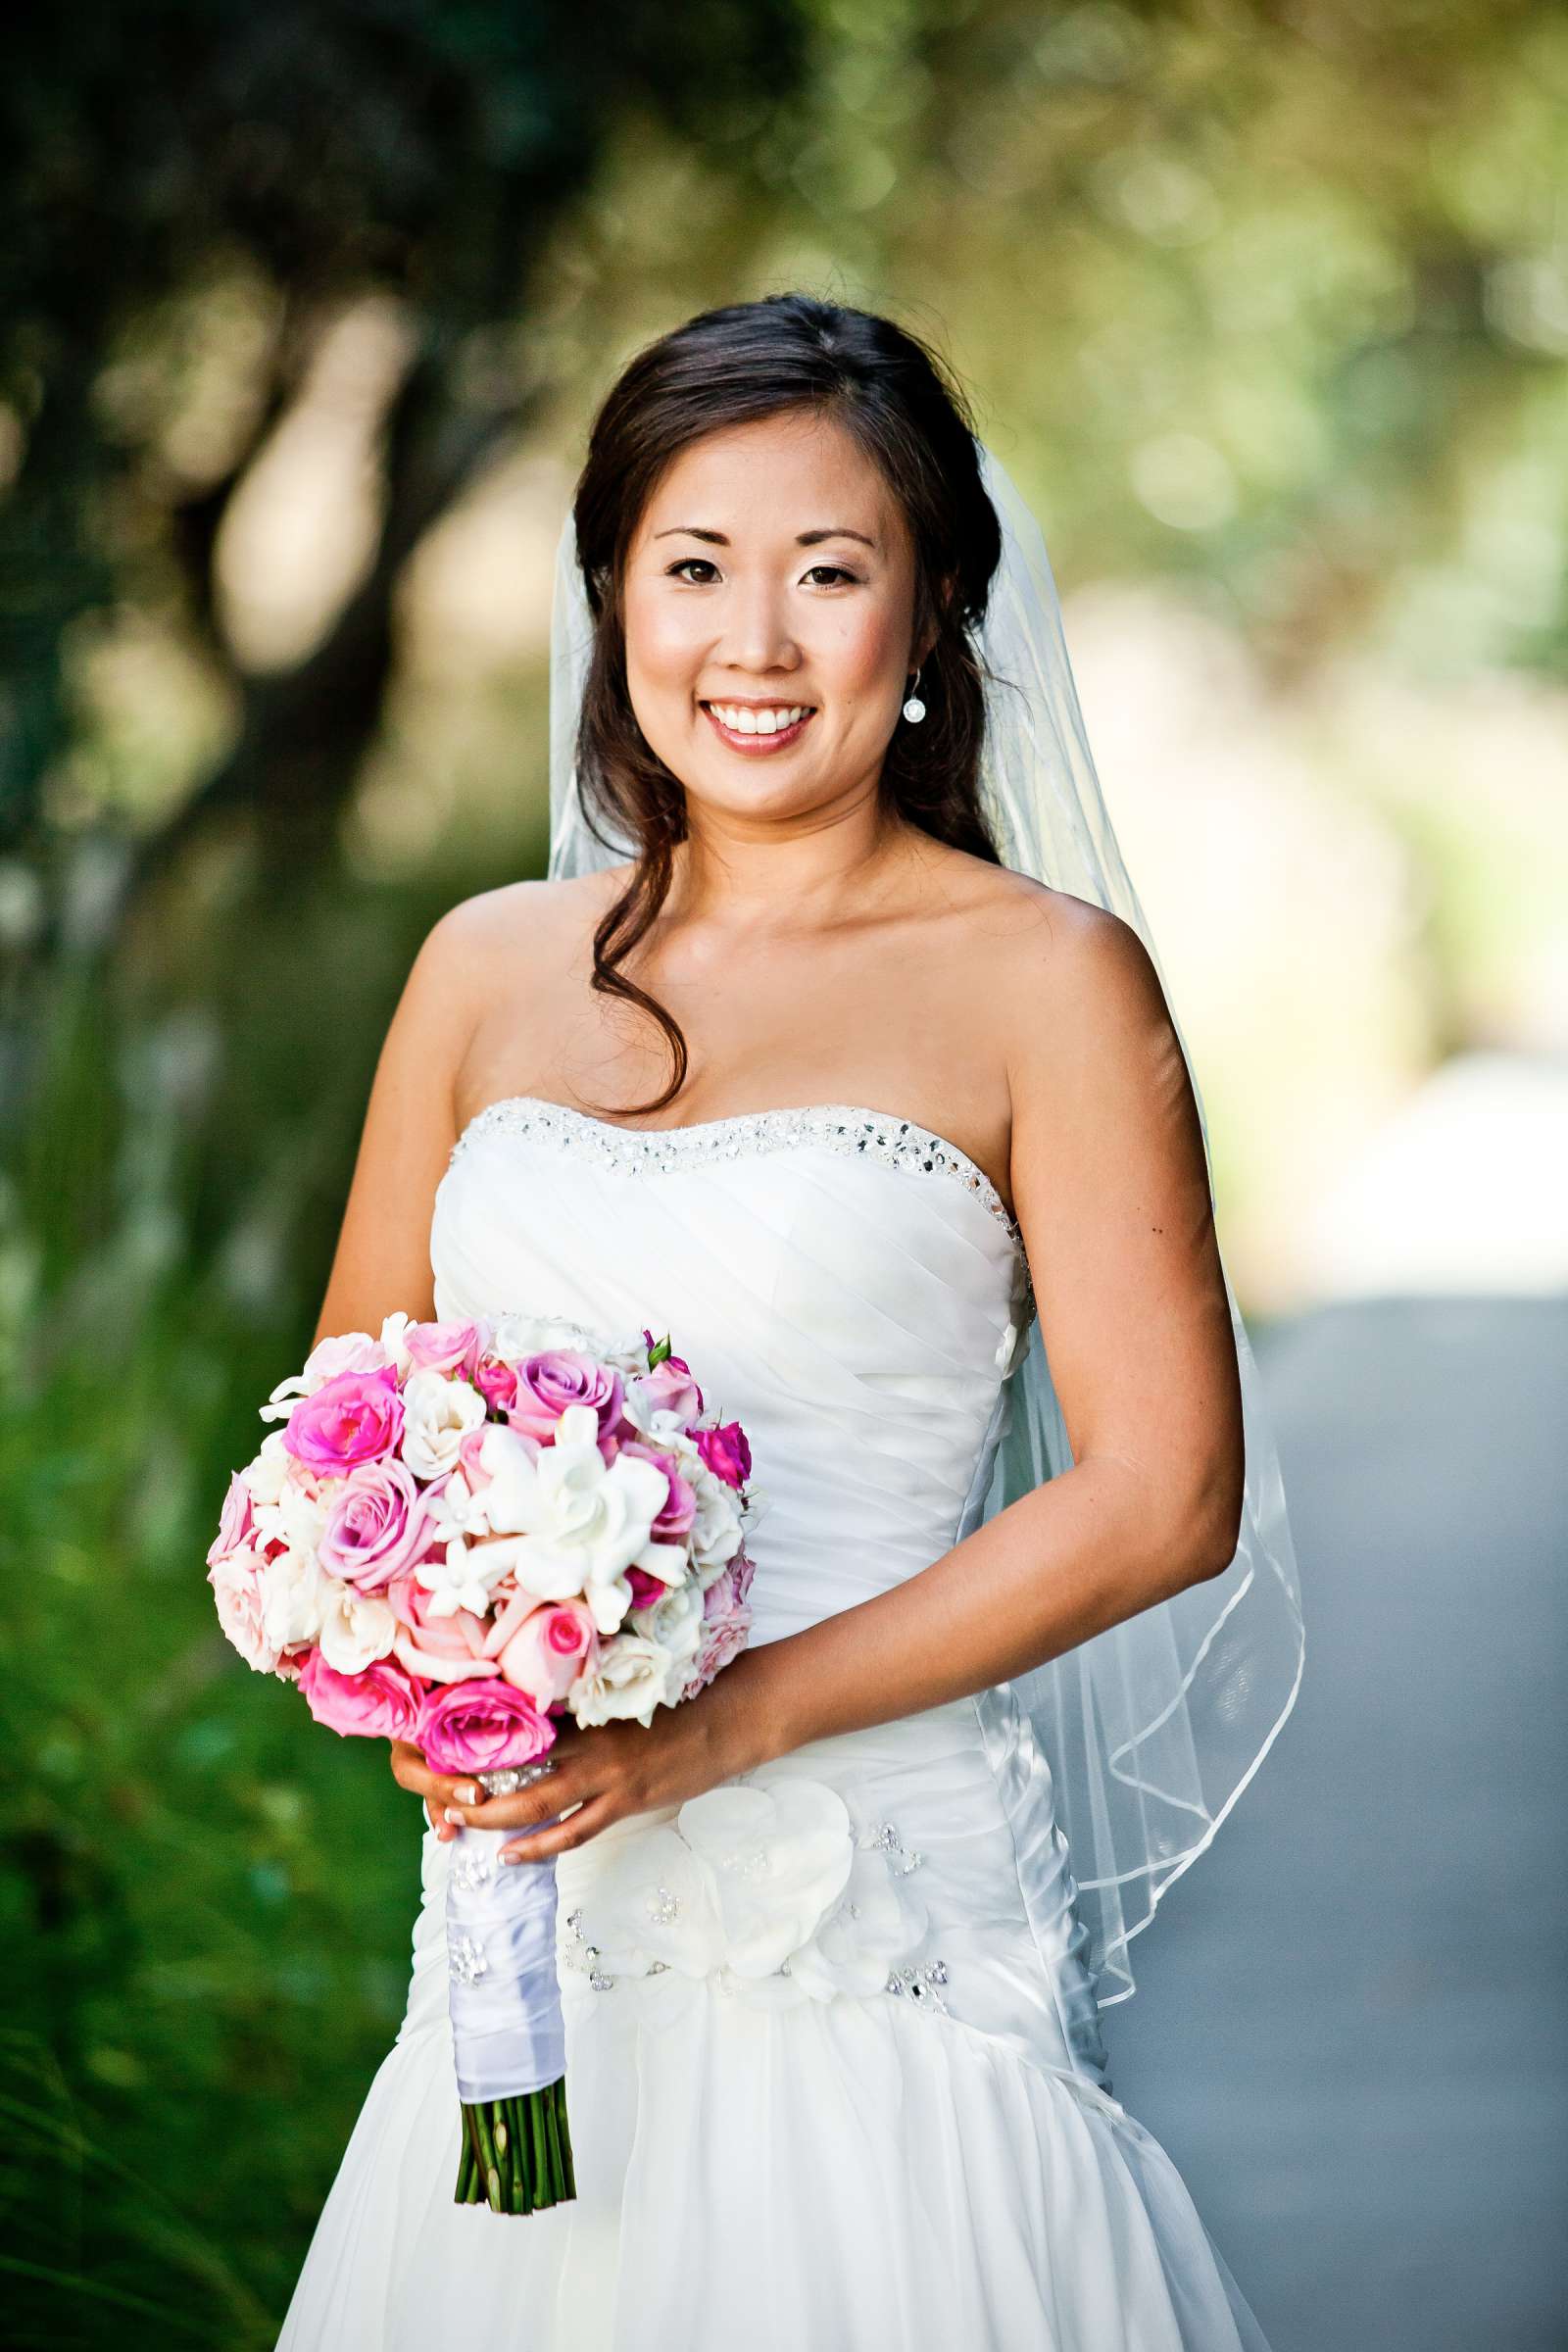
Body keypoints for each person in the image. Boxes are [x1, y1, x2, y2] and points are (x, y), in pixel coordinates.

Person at [275, 292, 1301, 2349]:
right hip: (532, 1929)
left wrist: (724, 1723)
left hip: (871, 1912)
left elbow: (1165, 1492)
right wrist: (428, 1662)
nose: (751, 642)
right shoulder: (483, 971)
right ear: (613, 600)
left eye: (828, 572)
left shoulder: (1042, 981)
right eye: (693, 566)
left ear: (926, 621)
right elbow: (338, 1423)